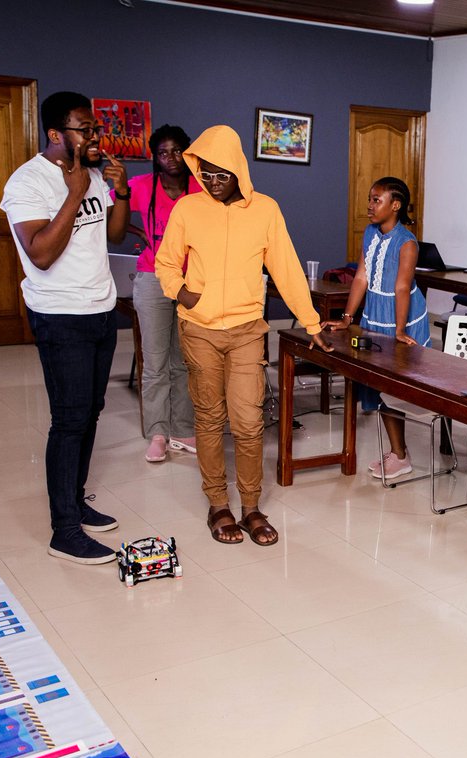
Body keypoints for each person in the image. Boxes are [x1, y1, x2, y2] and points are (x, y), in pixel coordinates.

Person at [154, 124, 330, 547]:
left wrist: (312, 323)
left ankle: (251, 506)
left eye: (222, 175)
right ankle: (218, 504)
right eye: (206, 174)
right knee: (210, 419)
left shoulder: (266, 209)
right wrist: (182, 292)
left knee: (250, 421)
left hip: (248, 329)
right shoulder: (188, 209)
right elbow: (165, 262)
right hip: (199, 329)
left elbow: (286, 269)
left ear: (239, 171)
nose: (212, 183)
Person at [0, 91, 130, 565]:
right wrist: (74, 192)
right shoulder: (28, 183)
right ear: (56, 134)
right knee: (70, 419)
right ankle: (64, 530)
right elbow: (40, 253)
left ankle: (75, 503)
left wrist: (122, 191)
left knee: (90, 412)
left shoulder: (93, 174)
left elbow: (114, 234)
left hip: (100, 309)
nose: (95, 137)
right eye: (84, 129)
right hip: (60, 315)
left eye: (95, 128)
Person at [321, 177, 429, 480]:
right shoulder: (369, 233)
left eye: (376, 200)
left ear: (395, 206)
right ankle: (398, 453)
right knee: (375, 384)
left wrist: (398, 330)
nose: (369, 206)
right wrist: (347, 318)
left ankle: (400, 455)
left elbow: (403, 287)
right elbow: (360, 278)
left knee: (392, 387)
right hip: (374, 314)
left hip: (400, 316)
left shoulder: (406, 242)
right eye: (369, 199)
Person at [110, 125, 201, 463]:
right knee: (155, 361)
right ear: (155, 157)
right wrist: (120, 196)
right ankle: (158, 433)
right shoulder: (141, 186)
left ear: (187, 152)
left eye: (177, 151)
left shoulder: (201, 188)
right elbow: (113, 224)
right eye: (163, 153)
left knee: (185, 360)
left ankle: (182, 428)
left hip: (192, 281)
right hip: (151, 278)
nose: (171, 158)